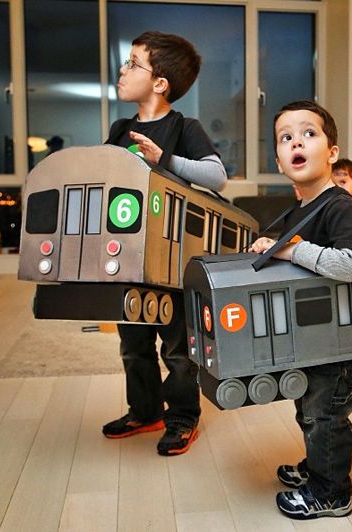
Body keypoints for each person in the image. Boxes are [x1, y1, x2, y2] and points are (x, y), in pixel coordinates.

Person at [102, 31, 227, 456]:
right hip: (128, 257)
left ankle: (181, 418)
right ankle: (145, 410)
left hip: (172, 259)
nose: (122, 70)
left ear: (160, 83)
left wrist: (165, 160)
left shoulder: (183, 128)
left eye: (133, 63)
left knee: (176, 346)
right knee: (133, 341)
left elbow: (216, 177)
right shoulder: (120, 129)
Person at [250, 100, 352, 520]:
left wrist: (294, 250)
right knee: (308, 409)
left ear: (332, 153)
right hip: (311, 336)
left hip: (336, 341)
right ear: (280, 161)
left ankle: (332, 492)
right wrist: (276, 249)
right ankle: (318, 469)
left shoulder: (340, 205)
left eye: (309, 133)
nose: (296, 140)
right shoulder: (299, 210)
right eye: (286, 137)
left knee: (327, 416)